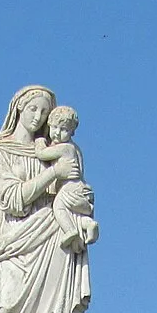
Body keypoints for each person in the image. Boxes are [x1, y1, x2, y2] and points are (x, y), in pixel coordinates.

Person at [0, 85, 96, 313]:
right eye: (33, 110)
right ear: (18, 108)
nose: (38, 117)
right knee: (7, 307)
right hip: (14, 244)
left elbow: (71, 190)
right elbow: (12, 199)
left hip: (51, 236)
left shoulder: (53, 149)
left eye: (44, 112)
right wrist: (53, 172)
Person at [33, 104, 99, 252]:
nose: (57, 133)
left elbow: (42, 154)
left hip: (70, 188)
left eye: (63, 130)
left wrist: (39, 142)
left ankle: (70, 230)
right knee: (71, 212)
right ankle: (87, 224)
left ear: (72, 132)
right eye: (54, 128)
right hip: (79, 190)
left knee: (59, 207)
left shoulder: (65, 148)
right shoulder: (76, 149)